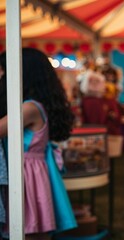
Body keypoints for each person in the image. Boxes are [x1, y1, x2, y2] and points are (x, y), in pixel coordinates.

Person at [0, 48, 76, 239]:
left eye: (3, 70)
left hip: (26, 176)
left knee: (28, 229)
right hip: (28, 173)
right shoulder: (32, 105)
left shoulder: (29, 108)